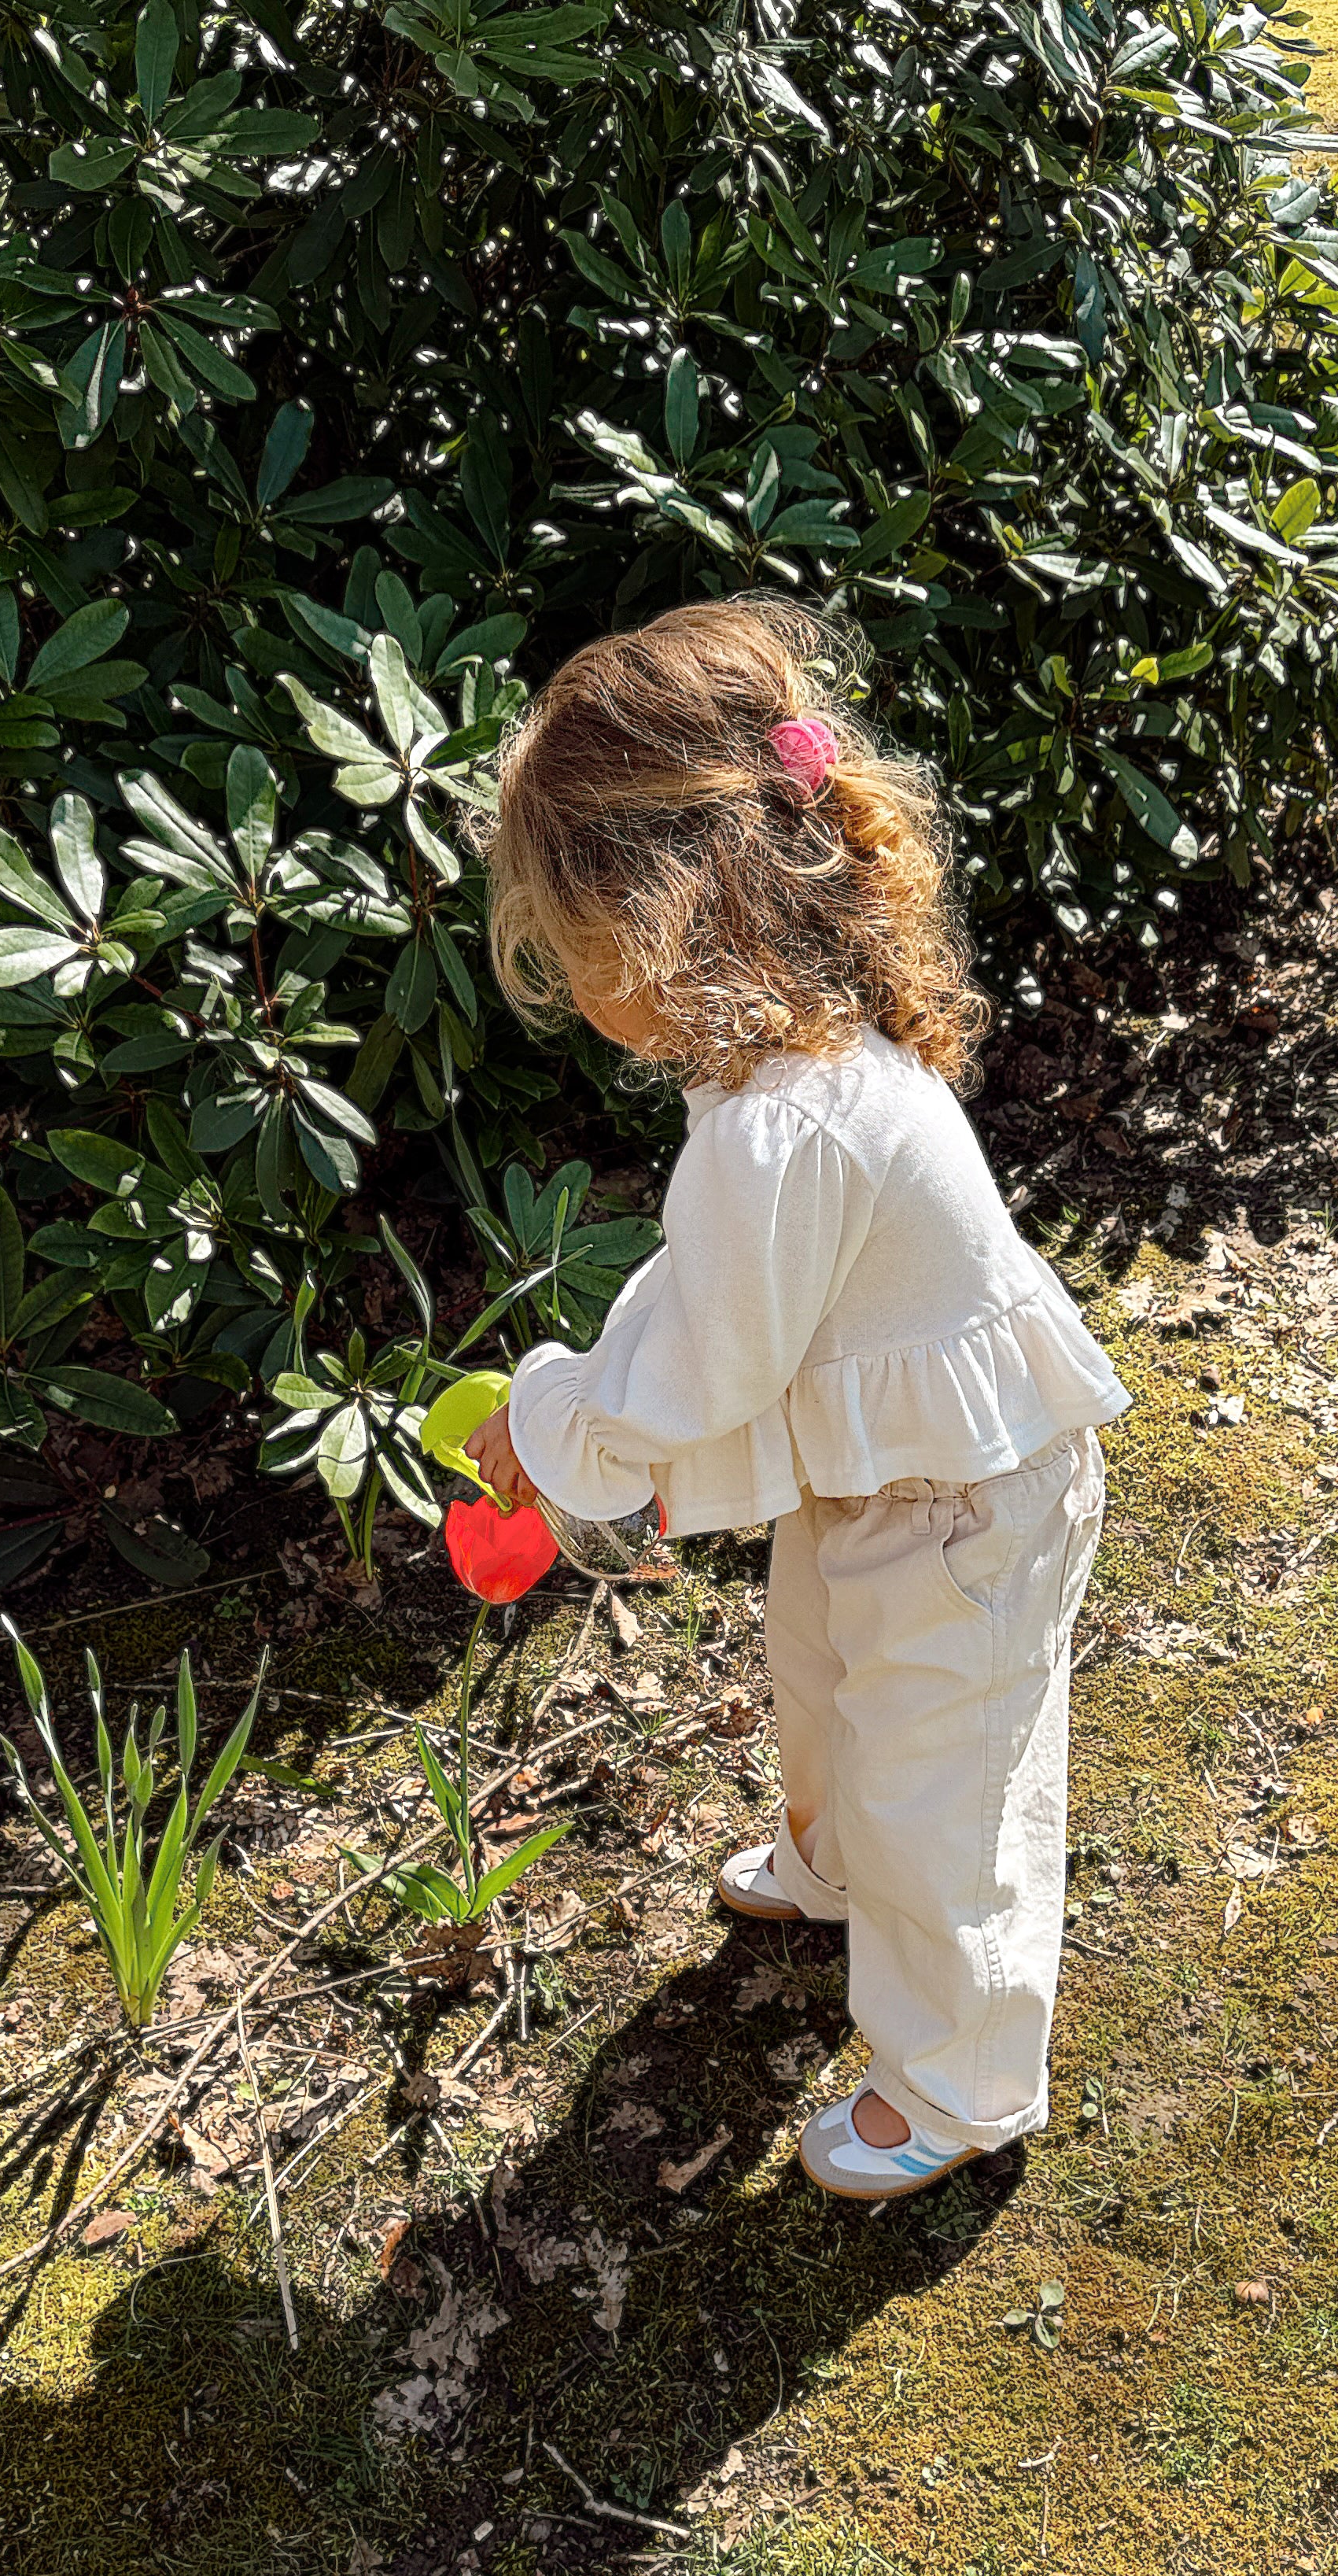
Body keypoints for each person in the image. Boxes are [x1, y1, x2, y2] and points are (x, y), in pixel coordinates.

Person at [464, 599, 1130, 2201]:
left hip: (972, 1495)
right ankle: (842, 1872)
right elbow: (709, 1297)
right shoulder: (771, 1073)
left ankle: (964, 2071)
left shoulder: (790, 1119)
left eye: (569, 948)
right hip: (894, 1469)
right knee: (825, 1672)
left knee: (948, 1777)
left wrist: (556, 1424)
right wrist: (577, 1401)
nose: (566, 982)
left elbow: (715, 1360)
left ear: (659, 911)